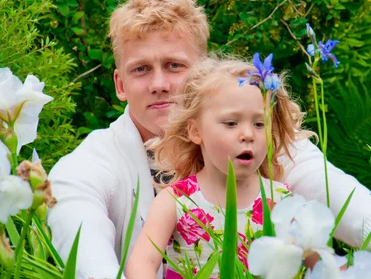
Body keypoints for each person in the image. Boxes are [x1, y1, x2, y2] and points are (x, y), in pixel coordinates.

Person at [47, 0, 371, 279]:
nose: (159, 84)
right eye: (141, 69)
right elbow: (83, 242)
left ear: (202, 71)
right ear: (120, 83)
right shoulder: (89, 166)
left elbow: (314, 176)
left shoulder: (249, 136)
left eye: (174, 65)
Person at [126, 56, 308, 278]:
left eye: (260, 124)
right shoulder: (176, 201)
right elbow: (141, 262)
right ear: (195, 131)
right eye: (231, 123)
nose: (248, 135)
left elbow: (315, 263)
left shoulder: (281, 200)